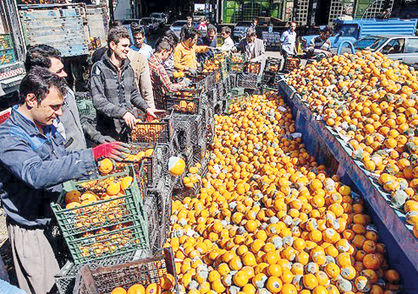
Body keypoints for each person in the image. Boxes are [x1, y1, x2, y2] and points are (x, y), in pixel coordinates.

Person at [0, 67, 126, 294]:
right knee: (48, 288)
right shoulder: (8, 136)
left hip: (56, 218)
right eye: (54, 106)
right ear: (31, 99)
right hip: (32, 228)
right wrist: (90, 156)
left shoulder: (45, 127)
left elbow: (61, 158)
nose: (59, 113)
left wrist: (94, 162)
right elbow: (35, 173)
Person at [90, 26, 162, 141]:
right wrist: (123, 113)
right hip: (108, 131)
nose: (128, 49)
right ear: (113, 45)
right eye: (124, 46)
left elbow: (133, 93)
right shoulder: (99, 69)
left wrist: (146, 107)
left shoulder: (128, 68)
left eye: (128, 46)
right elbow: (98, 101)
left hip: (128, 128)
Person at [25, 44, 87, 151]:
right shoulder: (38, 107)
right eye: (59, 71)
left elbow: (77, 120)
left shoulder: (66, 90)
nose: (65, 74)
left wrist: (96, 136)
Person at [149, 40, 186, 109]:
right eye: (168, 54)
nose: (167, 58)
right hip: (156, 100)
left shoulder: (149, 60)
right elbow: (169, 88)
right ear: (163, 52)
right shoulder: (158, 67)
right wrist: (183, 84)